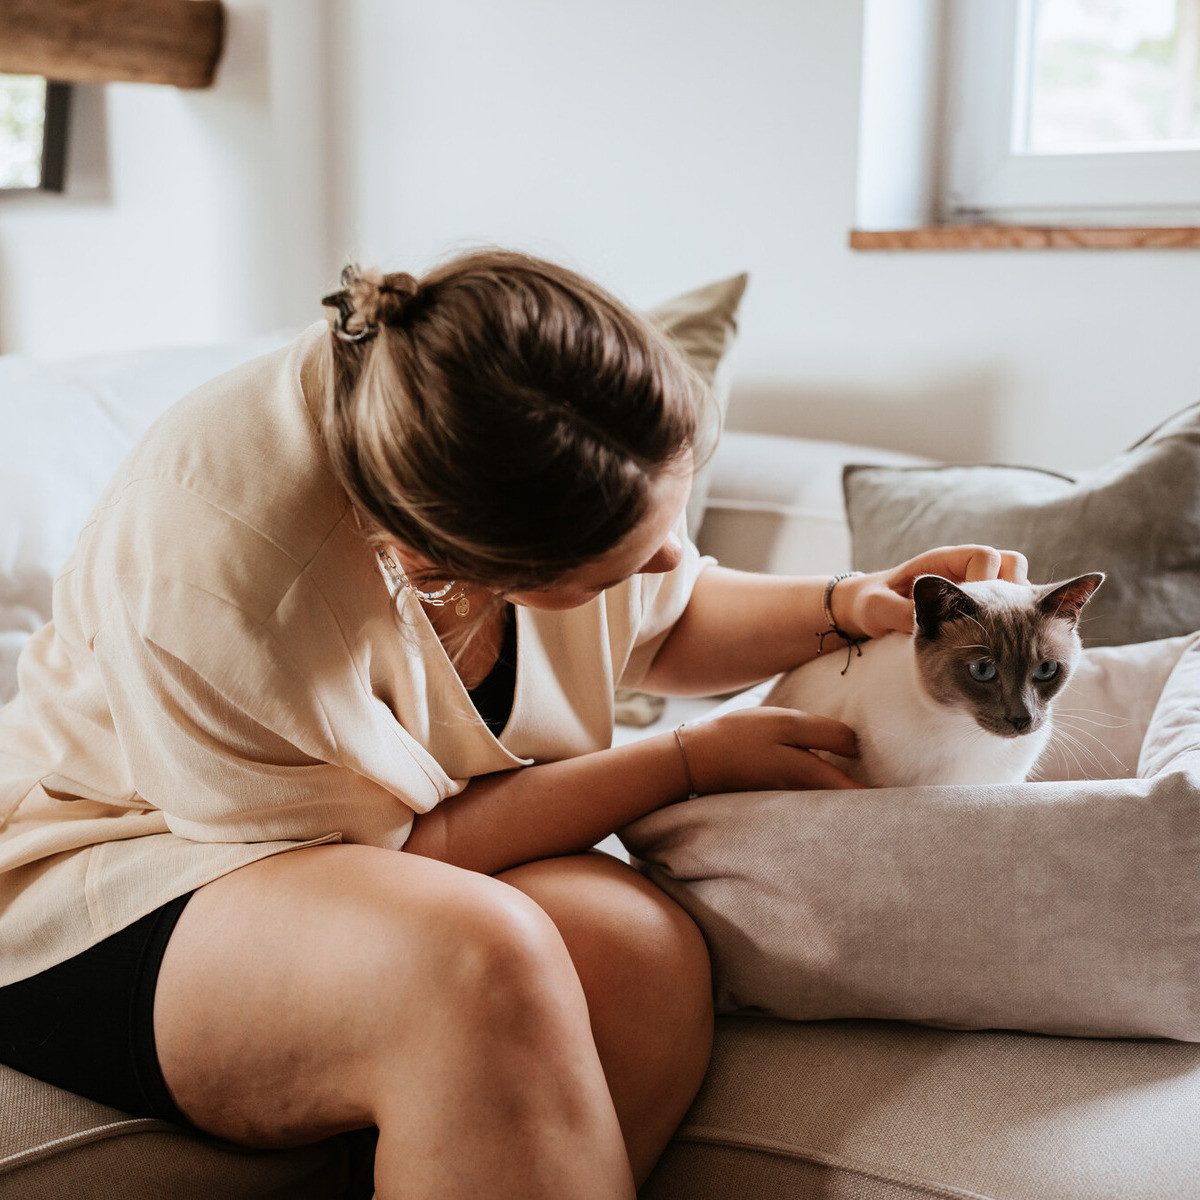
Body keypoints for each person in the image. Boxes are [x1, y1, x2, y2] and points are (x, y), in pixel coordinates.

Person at [0, 247, 1027, 1199]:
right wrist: (681, 760)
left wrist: (850, 603)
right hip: (115, 878)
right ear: (443, 570)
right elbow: (413, 850)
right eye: (627, 558)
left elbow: (667, 623)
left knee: (637, 952)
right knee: (472, 962)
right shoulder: (229, 579)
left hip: (371, 845)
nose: (672, 557)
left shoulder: (486, 413)